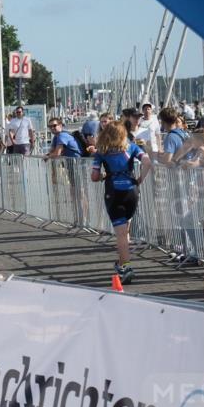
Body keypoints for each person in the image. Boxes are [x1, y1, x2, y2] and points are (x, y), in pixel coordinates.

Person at [90, 120, 151, 285]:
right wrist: (140, 179)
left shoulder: (101, 151)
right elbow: (147, 161)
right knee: (125, 231)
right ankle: (122, 263)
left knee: (121, 234)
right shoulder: (131, 147)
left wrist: (103, 176)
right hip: (132, 191)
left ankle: (126, 267)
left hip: (114, 192)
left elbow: (94, 177)